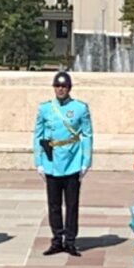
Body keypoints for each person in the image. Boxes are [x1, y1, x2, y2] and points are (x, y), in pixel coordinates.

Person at [33, 71, 93, 256]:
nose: (60, 89)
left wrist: (86, 161)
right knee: (54, 204)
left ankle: (71, 240)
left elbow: (87, 135)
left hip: (72, 160)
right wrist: (39, 162)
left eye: (64, 86)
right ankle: (57, 239)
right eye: (57, 86)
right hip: (51, 161)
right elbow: (38, 135)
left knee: (72, 204)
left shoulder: (80, 108)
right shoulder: (45, 108)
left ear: (69, 88)